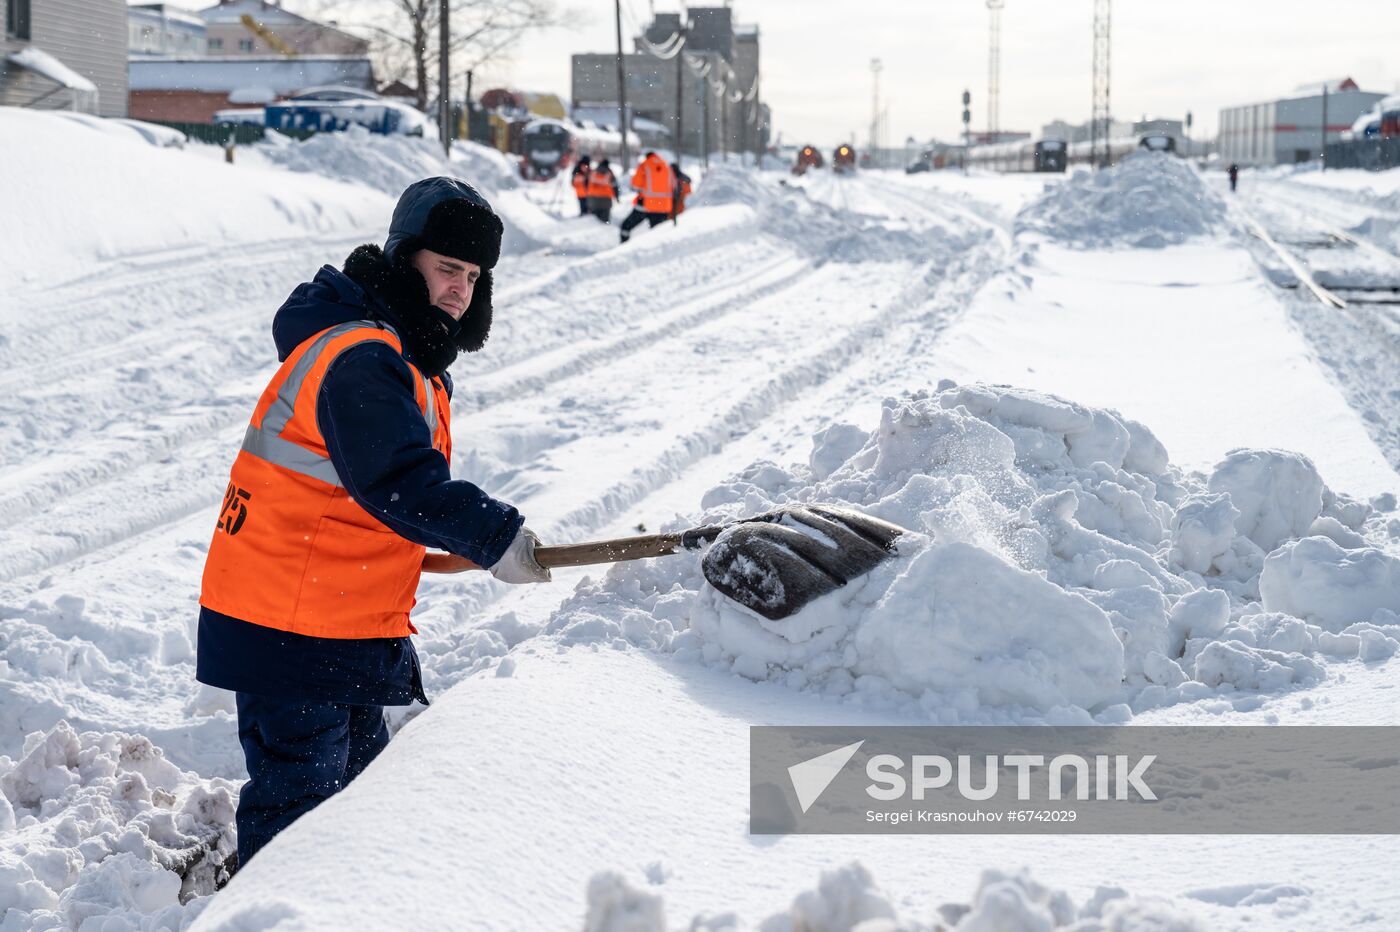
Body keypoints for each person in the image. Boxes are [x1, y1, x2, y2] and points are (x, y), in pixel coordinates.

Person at [197, 177, 551, 872]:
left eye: (474, 276)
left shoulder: (406, 361)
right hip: (291, 630)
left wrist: (438, 551)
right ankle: (266, 916)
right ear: (404, 260)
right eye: (447, 268)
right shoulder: (360, 356)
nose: (461, 289)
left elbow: (355, 503)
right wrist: (494, 535)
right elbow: (397, 481)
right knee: (301, 817)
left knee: (355, 807)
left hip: (342, 620)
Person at [618, 151, 674, 243]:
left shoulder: (645, 164)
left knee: (626, 227)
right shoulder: (666, 165)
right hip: (663, 207)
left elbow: (635, 184)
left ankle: (624, 247)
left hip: (646, 204)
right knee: (657, 233)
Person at [586, 158, 619, 223]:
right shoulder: (609, 172)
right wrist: (617, 197)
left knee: (593, 220)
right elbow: (615, 186)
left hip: (592, 199)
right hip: (605, 200)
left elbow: (586, 183)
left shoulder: (594, 171)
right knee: (604, 220)